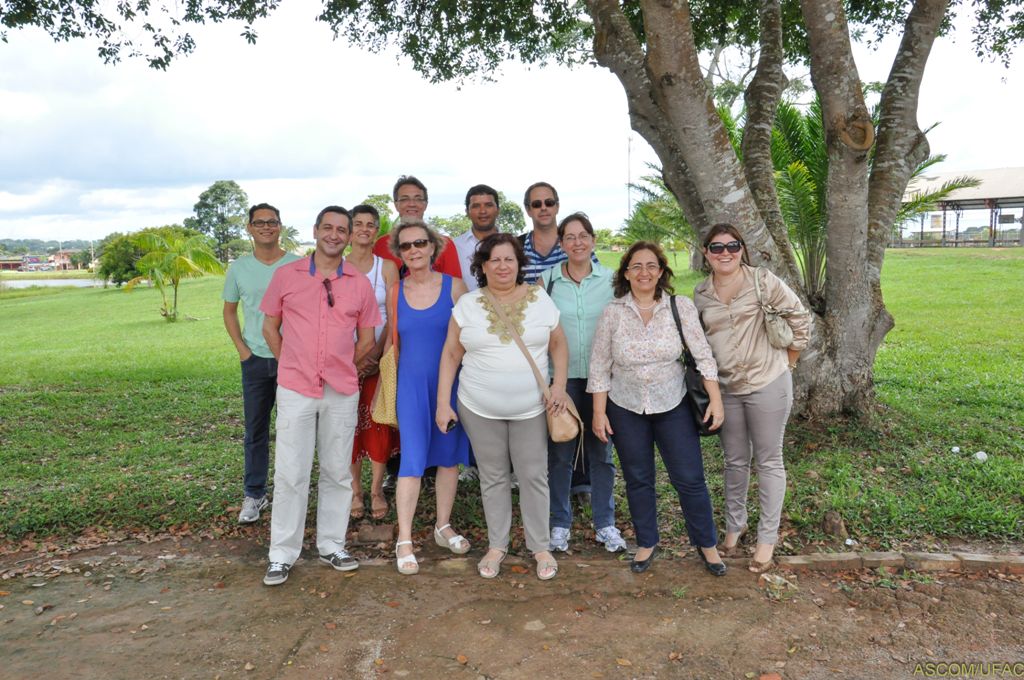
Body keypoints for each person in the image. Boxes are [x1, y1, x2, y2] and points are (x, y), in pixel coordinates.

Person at [588, 241, 727, 576]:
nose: (644, 272)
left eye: (651, 266)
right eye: (636, 266)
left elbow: (703, 355)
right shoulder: (613, 313)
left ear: (662, 271)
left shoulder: (679, 307)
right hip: (625, 405)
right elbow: (599, 365)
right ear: (625, 273)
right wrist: (598, 412)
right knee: (638, 479)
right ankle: (647, 542)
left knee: (690, 478)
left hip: (673, 403)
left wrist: (716, 400)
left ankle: (707, 545)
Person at [259, 206, 381, 586]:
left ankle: (332, 544)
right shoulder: (287, 275)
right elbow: (270, 327)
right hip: (296, 388)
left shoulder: (358, 283)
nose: (334, 234)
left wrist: (345, 365)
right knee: (292, 472)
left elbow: (368, 338)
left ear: (348, 237)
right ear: (315, 231)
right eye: (327, 227)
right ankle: (282, 553)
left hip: (341, 390)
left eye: (341, 229)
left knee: (336, 472)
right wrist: (291, 363)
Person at [436, 233, 569, 581]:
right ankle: (497, 545)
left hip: (531, 408)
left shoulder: (540, 299)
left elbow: (558, 345)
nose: (502, 265)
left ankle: (540, 546)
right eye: (494, 259)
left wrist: (558, 387)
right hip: (479, 408)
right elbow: (451, 354)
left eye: (509, 258)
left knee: (533, 475)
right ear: (482, 266)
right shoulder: (467, 304)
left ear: (519, 263)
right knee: (493, 478)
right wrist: (442, 403)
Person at [693, 224, 810, 573]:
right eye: (716, 247)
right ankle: (734, 527)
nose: (725, 252)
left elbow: (800, 318)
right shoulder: (700, 294)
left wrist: (789, 362)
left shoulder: (762, 280)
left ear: (742, 249)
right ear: (706, 253)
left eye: (732, 245)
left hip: (767, 382)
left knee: (769, 461)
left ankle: (766, 539)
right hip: (726, 390)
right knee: (734, 461)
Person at [385, 220, 472, 574]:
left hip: (449, 385)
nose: (414, 250)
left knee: (448, 458)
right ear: (400, 253)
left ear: (433, 247)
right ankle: (403, 539)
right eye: (406, 246)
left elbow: (470, 340)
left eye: (420, 243)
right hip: (411, 385)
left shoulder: (456, 288)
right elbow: (395, 342)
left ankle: (442, 525)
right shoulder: (395, 292)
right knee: (412, 461)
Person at [539, 213, 627, 554]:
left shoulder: (611, 280)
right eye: (570, 237)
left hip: (603, 381)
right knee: (560, 452)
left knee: (601, 453)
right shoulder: (546, 282)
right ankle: (559, 524)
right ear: (561, 244)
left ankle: (605, 523)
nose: (577, 242)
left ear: (592, 240)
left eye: (583, 236)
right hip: (560, 381)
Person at [222, 203, 301, 524]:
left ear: (280, 226)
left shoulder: (298, 265)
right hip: (255, 360)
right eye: (259, 222)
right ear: (250, 228)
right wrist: (243, 350)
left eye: (272, 222)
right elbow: (229, 311)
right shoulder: (239, 268)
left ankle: (291, 494)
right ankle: (255, 494)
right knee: (256, 430)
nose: (266, 227)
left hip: (294, 361)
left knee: (294, 430)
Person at [346, 204, 400, 521]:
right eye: (358, 224)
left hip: (379, 359)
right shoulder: (336, 264)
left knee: (378, 424)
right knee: (349, 427)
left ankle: (377, 489)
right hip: (343, 363)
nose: (364, 229)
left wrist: (377, 354)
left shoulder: (387, 267)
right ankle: (355, 491)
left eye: (371, 224)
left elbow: (393, 317)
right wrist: (352, 361)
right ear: (349, 229)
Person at [373, 175, 463, 279]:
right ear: (396, 205)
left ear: (425, 204)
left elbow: (454, 288)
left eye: (418, 199)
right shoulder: (381, 245)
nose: (412, 204)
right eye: (405, 199)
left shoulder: (445, 244)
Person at [454, 184, 500, 292]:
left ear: (498, 210)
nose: (482, 211)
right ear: (467, 212)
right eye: (476, 206)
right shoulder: (455, 247)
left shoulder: (513, 245)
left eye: (488, 205)